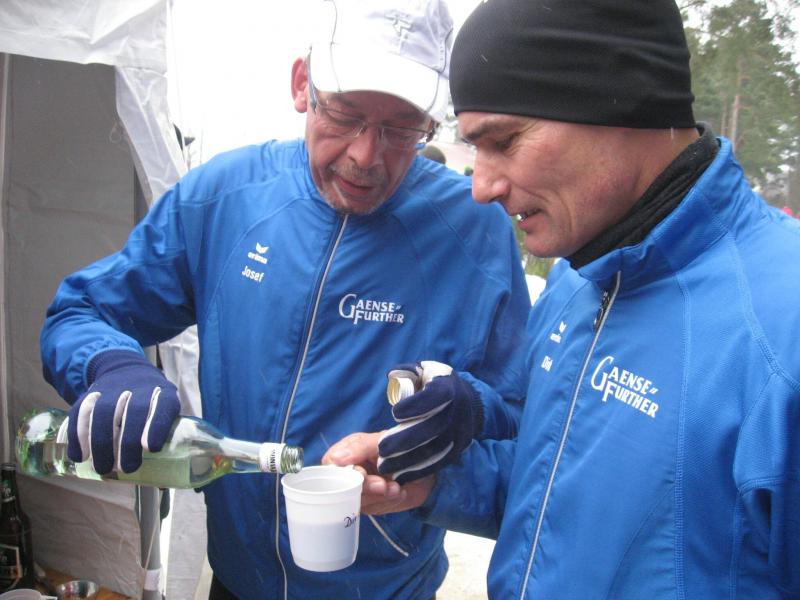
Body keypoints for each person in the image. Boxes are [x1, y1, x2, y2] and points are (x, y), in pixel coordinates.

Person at [38, 0, 531, 598]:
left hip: (386, 589)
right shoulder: (225, 196)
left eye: (401, 128)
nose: (365, 155)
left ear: (430, 122)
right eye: (345, 115)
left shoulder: (474, 232)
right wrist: (111, 364)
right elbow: (82, 310)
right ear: (303, 85)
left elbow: (524, 424)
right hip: (236, 580)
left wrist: (456, 433)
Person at [324, 0, 800, 598]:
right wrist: (435, 478)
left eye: (503, 141)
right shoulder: (577, 280)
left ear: (620, 99)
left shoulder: (782, 329)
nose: (481, 187)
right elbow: (558, 490)